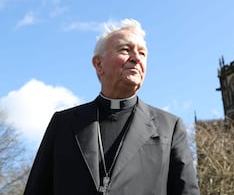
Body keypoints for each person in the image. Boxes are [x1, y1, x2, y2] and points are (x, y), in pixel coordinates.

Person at [23, 19, 200, 195]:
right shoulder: (63, 123)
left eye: (143, 53)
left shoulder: (170, 127)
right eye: (126, 49)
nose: (137, 58)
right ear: (98, 64)